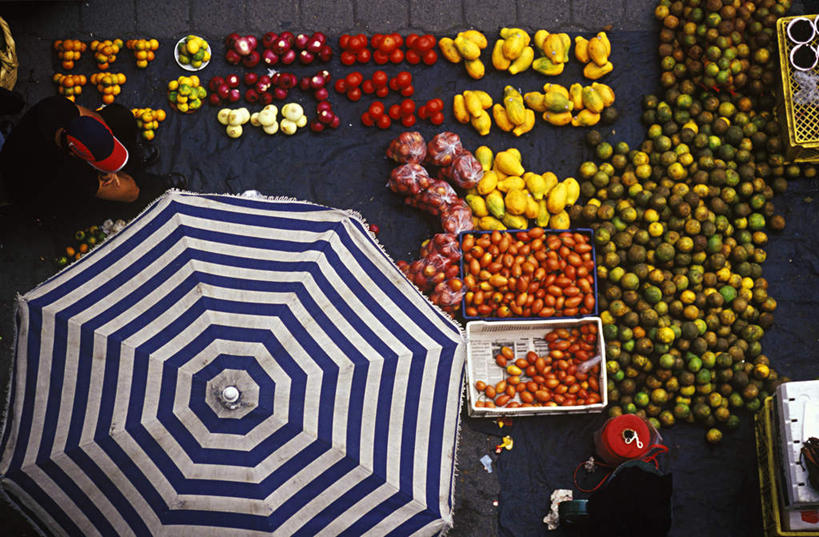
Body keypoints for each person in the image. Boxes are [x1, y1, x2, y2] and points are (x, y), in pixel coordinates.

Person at [0, 95, 184, 216]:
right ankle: (162, 186)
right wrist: (115, 175)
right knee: (141, 190)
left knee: (119, 116)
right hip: (31, 192)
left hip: (16, 150)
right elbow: (129, 192)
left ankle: (132, 158)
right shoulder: (71, 175)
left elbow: (91, 117)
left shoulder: (53, 109)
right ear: (75, 154)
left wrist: (110, 162)